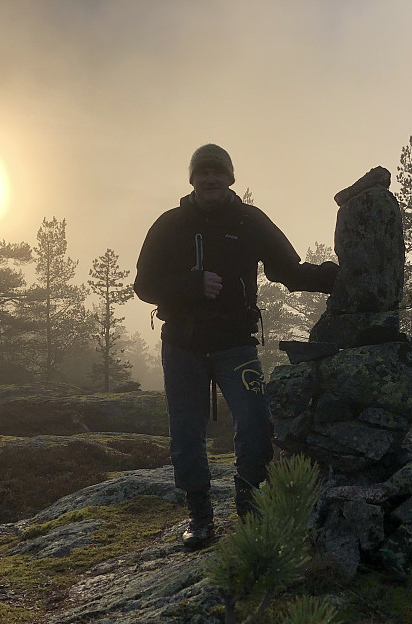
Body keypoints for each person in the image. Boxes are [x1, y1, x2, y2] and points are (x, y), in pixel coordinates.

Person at [135, 144, 339, 548]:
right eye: (202, 172)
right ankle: (200, 517)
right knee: (187, 432)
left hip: (235, 345)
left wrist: (340, 277)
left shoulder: (250, 221)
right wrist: (191, 285)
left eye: (218, 172)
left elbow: (289, 271)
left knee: (254, 422)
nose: (210, 179)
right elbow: (144, 285)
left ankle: (249, 506)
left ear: (230, 178)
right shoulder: (170, 224)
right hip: (183, 345)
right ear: (191, 179)